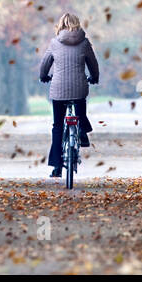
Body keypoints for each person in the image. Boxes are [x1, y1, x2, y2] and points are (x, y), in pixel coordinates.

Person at [39, 12, 100, 178]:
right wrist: (94, 78)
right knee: (80, 110)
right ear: (77, 24)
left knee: (58, 126)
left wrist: (44, 76)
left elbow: (45, 64)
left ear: (61, 25)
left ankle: (57, 167)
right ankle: (82, 130)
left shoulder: (54, 43)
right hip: (80, 88)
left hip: (58, 90)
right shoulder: (85, 43)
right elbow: (93, 64)